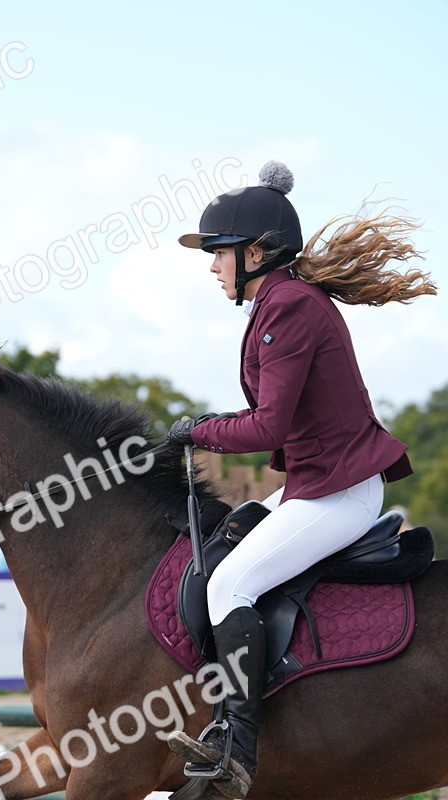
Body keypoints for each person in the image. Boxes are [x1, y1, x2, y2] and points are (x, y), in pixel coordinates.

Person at [164, 160, 436, 799]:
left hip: (338, 492)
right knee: (229, 542)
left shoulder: (287, 306)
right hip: (316, 483)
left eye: (219, 253)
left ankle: (235, 748)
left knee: (229, 585)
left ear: (255, 253)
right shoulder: (278, 302)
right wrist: (203, 428)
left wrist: (198, 430)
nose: (212, 266)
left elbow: (267, 428)